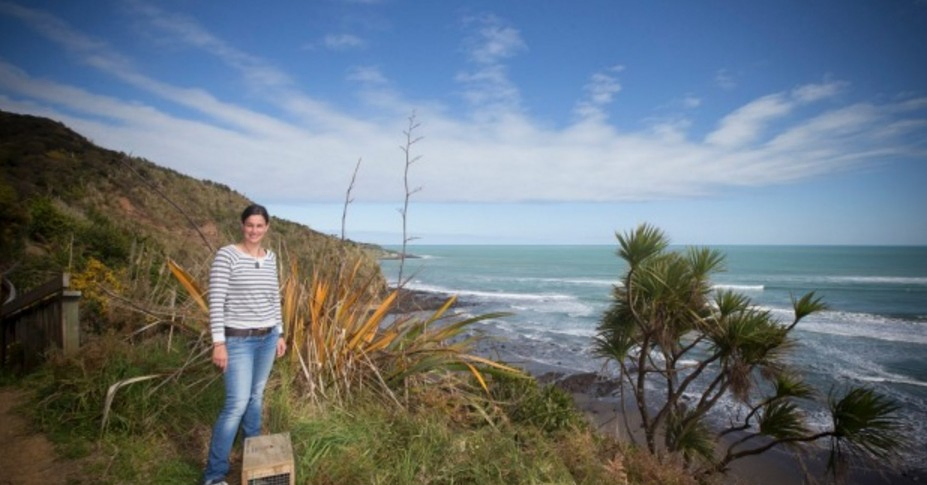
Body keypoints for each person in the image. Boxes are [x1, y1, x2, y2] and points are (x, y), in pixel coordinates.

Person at [203, 203, 287, 485]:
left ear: (267, 228)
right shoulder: (227, 255)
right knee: (236, 405)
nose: (254, 230)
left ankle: (254, 461)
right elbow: (216, 301)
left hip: (268, 337)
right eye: (249, 225)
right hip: (237, 340)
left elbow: (274, 297)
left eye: (259, 225)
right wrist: (218, 343)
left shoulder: (270, 257)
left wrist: (281, 332)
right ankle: (214, 476)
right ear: (242, 225)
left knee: (256, 397)